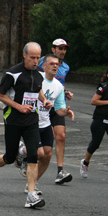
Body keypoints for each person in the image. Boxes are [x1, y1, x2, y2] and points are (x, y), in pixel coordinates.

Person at [0, 42, 52, 208]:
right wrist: (19, 106)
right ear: (24, 55)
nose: (35, 61)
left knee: (34, 155)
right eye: (32, 58)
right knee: (10, 157)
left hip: (31, 120)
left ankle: (31, 194)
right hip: (13, 118)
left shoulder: (39, 73)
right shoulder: (12, 74)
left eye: (38, 58)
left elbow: (38, 89)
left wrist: (44, 100)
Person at [18, 54, 74, 193]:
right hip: (32, 122)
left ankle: (32, 184)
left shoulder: (58, 86)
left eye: (57, 64)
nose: (55, 66)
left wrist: (66, 112)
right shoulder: (37, 79)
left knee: (47, 154)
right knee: (39, 153)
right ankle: (20, 151)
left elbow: (59, 110)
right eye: (52, 63)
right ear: (44, 66)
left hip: (45, 123)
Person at [79, 63, 108, 181]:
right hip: (100, 119)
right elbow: (94, 101)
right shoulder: (103, 87)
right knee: (95, 144)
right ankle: (85, 163)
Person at [39, 38, 73, 185]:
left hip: (57, 104)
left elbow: (57, 84)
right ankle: (25, 153)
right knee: (40, 146)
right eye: (60, 49)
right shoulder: (41, 62)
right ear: (53, 50)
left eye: (64, 49)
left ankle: (60, 171)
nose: (62, 51)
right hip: (41, 103)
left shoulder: (65, 67)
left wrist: (65, 92)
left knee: (61, 136)